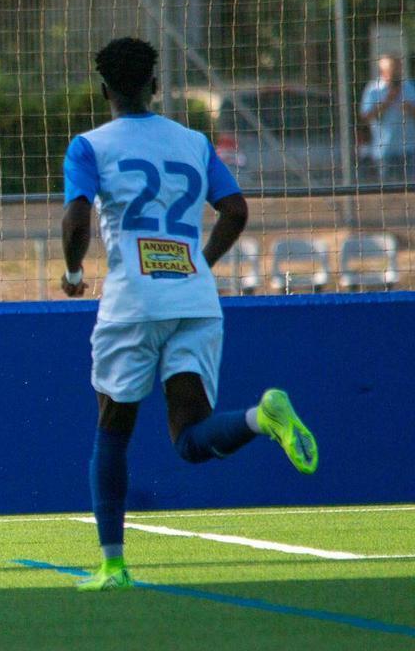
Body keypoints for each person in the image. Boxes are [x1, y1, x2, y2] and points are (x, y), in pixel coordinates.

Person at [60, 37, 319, 591]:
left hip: (132, 303)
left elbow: (78, 218)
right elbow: (236, 209)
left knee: (112, 433)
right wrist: (198, 264)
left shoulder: (88, 145)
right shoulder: (194, 142)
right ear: (156, 86)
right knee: (191, 437)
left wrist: (75, 273)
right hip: (195, 300)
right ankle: (261, 417)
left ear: (104, 89)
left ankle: (112, 564)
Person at [359, 54, 415, 183]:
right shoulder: (373, 90)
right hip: (385, 151)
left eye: (398, 69)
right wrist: (386, 103)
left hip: (410, 149)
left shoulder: (410, 87)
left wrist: (410, 108)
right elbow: (365, 116)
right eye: (393, 70)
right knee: (389, 193)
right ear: (383, 71)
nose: (397, 73)